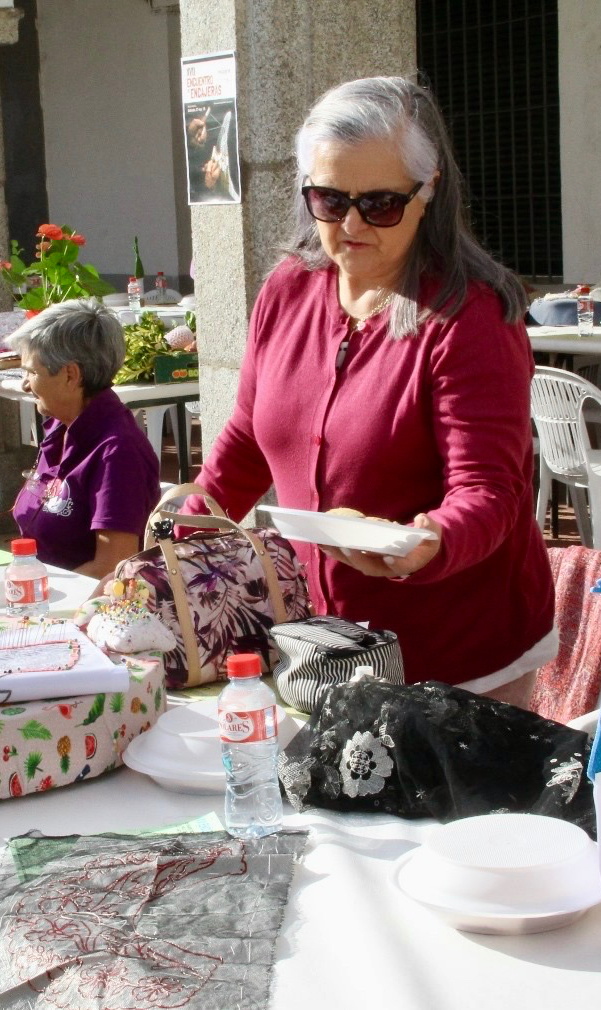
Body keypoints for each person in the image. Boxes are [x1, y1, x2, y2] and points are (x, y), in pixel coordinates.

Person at [190, 76, 553, 697]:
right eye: (330, 201)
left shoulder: (470, 317)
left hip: (457, 653)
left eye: (380, 203)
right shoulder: (287, 288)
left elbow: (490, 489)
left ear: (428, 190)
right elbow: (249, 436)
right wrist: (183, 523)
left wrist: (430, 541)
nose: (351, 223)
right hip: (320, 644)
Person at [8, 298, 160, 576]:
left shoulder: (118, 451)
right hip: (37, 589)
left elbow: (111, 568)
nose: (24, 384)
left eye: (31, 372)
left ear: (71, 375)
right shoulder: (59, 428)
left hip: (78, 599)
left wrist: (34, 590)